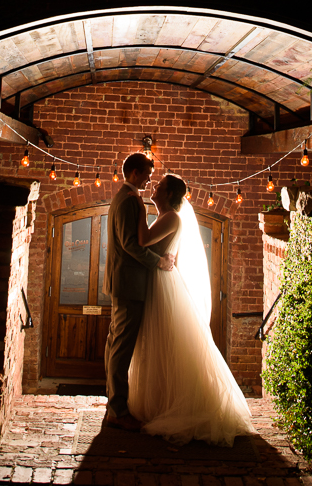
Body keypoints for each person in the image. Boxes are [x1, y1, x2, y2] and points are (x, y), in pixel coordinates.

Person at [127, 173, 255, 447]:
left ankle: (176, 405)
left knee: (167, 342)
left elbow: (142, 239)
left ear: (170, 194)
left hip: (164, 285)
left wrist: (138, 207)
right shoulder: (165, 216)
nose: (154, 187)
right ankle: (161, 401)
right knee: (158, 344)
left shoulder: (172, 217)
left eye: (159, 186)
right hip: (158, 280)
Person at [103, 152, 175, 431]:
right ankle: (118, 410)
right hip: (129, 283)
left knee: (114, 342)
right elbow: (131, 245)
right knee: (121, 345)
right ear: (134, 173)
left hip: (123, 281)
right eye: (147, 174)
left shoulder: (125, 197)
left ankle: (113, 402)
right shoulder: (130, 200)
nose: (149, 179)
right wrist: (159, 262)